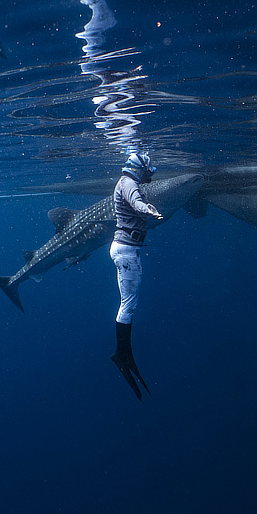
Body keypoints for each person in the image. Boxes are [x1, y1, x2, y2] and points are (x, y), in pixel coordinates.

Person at [110, 152, 163, 400]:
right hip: (127, 250)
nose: (149, 172)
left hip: (128, 249)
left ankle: (124, 353)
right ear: (139, 167)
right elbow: (136, 202)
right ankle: (122, 354)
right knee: (128, 305)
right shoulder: (129, 183)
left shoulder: (125, 181)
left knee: (129, 303)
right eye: (147, 168)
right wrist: (149, 210)